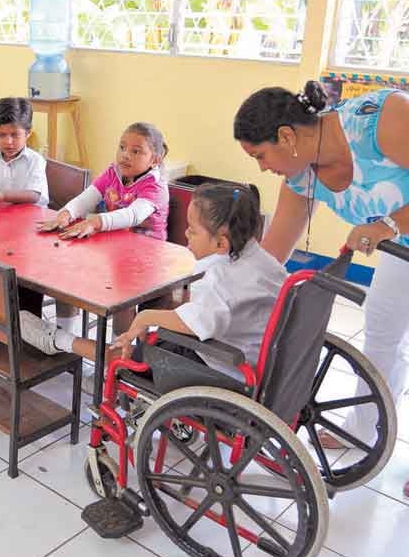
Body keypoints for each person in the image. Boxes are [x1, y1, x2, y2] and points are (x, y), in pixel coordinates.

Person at [234, 81, 409, 497]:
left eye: (260, 155)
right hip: (402, 243)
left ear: (287, 137)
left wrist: (388, 225)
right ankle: (362, 429)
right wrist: (222, 286)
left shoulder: (381, 120)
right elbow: (273, 255)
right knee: (382, 331)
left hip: (397, 233)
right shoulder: (300, 177)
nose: (261, 168)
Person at [22, 184, 284, 386]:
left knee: (129, 357)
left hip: (222, 369)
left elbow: (198, 321)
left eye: (192, 230)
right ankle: (63, 339)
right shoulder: (264, 262)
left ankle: (57, 339)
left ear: (221, 243)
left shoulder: (222, 283)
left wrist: (145, 317)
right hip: (260, 359)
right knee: (153, 337)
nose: (185, 234)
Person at [37, 121, 171, 335]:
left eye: (136, 151)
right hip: (113, 250)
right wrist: (66, 213)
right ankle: (64, 339)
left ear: (154, 160)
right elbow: (88, 197)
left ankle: (120, 353)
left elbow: (133, 215)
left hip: (146, 259)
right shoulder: (113, 172)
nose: (125, 155)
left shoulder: (155, 185)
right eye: (122, 147)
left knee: (122, 296)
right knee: (64, 273)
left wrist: (95, 222)